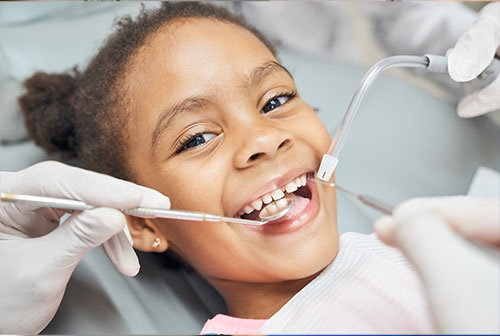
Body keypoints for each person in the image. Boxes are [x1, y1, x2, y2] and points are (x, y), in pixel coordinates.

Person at [0, 2, 498, 334]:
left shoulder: (449, 226)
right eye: (196, 138)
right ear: (141, 222)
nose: (264, 139)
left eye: (277, 99)